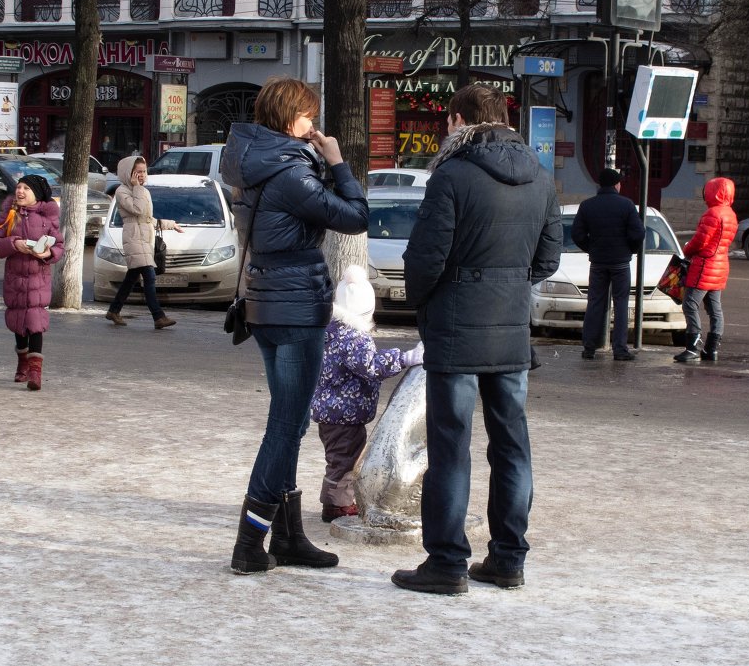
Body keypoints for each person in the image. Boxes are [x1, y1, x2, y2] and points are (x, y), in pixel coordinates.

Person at [394, 83, 562, 595]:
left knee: (451, 448)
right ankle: (509, 559)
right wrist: (507, 283)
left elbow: (425, 260)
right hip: (510, 333)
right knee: (512, 446)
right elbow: (548, 260)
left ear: (459, 120)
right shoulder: (540, 177)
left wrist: (425, 303)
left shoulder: (452, 175)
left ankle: (446, 563)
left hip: (455, 332)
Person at [219, 76, 368, 575]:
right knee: (285, 425)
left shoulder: (254, 161)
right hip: (295, 307)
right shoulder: (290, 174)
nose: (313, 125)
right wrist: (338, 161)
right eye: (307, 115)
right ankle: (250, 542)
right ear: (288, 117)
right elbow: (355, 215)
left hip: (266, 301)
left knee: (293, 419)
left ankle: (287, 537)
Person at [310, 265, 423, 522]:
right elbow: (371, 366)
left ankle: (334, 501)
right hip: (344, 415)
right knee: (345, 460)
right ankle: (337, 505)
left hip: (331, 411)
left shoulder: (331, 331)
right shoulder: (354, 339)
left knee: (338, 458)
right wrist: (405, 358)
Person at [0, 174, 64, 391]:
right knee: (18, 324)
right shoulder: (11, 215)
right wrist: (14, 244)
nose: (20, 191)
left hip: (38, 279)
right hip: (15, 280)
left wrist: (48, 253)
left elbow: (59, 246)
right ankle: (22, 362)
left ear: (37, 195)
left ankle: (35, 372)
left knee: (35, 322)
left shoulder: (47, 217)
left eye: (26, 189)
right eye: (18, 187)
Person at [572, 168, 645, 361]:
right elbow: (638, 233)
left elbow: (577, 234)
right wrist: (630, 249)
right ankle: (620, 349)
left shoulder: (587, 206)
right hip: (621, 262)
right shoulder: (626, 205)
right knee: (621, 304)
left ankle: (589, 347)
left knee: (595, 303)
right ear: (616, 185)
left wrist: (591, 248)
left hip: (598, 262)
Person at [103, 155, 182, 329]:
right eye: (137, 172)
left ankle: (114, 310)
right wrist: (137, 188)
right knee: (149, 276)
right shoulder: (122, 191)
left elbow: (147, 219)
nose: (141, 175)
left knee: (131, 279)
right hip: (133, 238)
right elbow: (137, 210)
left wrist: (170, 224)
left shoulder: (144, 191)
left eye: (144, 171)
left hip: (145, 239)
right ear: (128, 173)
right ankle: (158, 317)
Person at [674, 177, 737, 363]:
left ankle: (692, 346)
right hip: (720, 265)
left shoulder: (712, 214)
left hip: (704, 266)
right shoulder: (730, 214)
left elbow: (700, 241)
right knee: (714, 308)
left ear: (712, 192)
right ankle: (711, 348)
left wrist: (687, 249)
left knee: (690, 304)